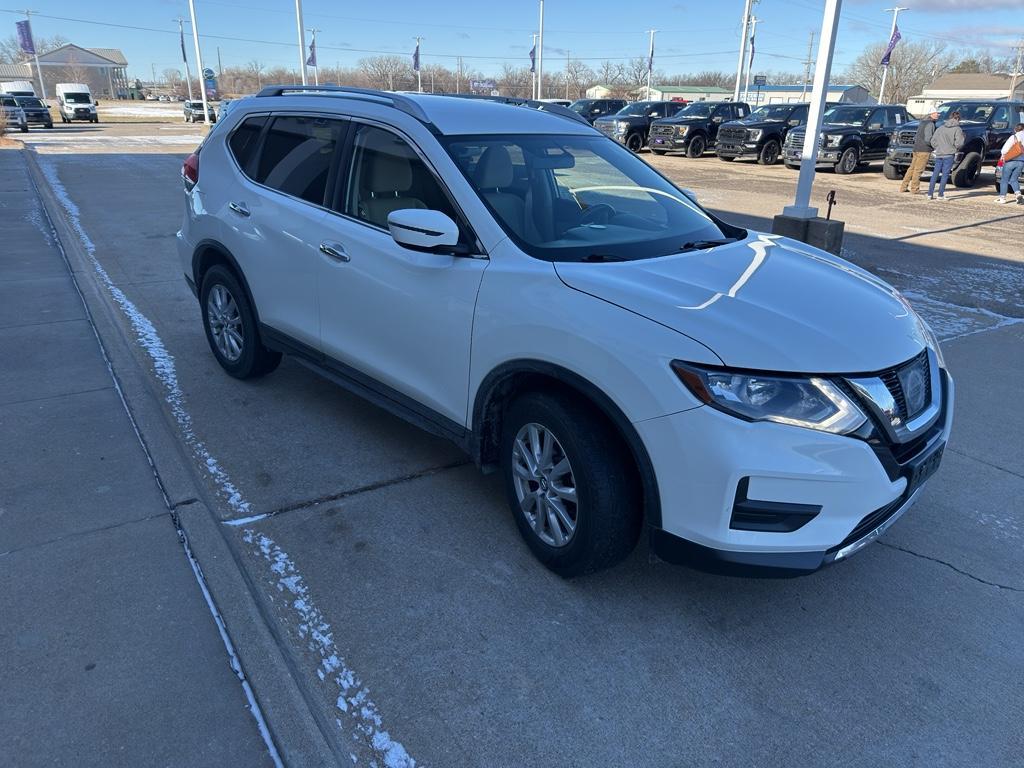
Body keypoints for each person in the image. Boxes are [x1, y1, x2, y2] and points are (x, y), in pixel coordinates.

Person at [928, 110, 965, 201]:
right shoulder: (957, 129)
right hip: (949, 154)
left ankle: (930, 194)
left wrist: (938, 147)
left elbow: (933, 141)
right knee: (945, 175)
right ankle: (940, 194)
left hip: (939, 153)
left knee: (935, 174)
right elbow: (960, 143)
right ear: (958, 119)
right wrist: (955, 148)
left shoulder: (941, 127)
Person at [900, 110, 938, 194]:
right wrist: (935, 146)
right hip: (924, 150)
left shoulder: (922, 122)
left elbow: (917, 136)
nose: (938, 115)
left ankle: (903, 187)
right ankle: (915, 189)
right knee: (918, 170)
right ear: (931, 114)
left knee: (912, 168)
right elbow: (928, 139)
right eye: (936, 113)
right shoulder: (930, 124)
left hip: (916, 148)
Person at [995, 122, 1024, 205]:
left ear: (1016, 129)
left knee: (1004, 179)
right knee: (1014, 179)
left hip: (1010, 161)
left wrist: (1002, 158)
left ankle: (1002, 198)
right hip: (1021, 162)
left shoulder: (1014, 137)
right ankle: (1018, 195)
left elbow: (1004, 150)